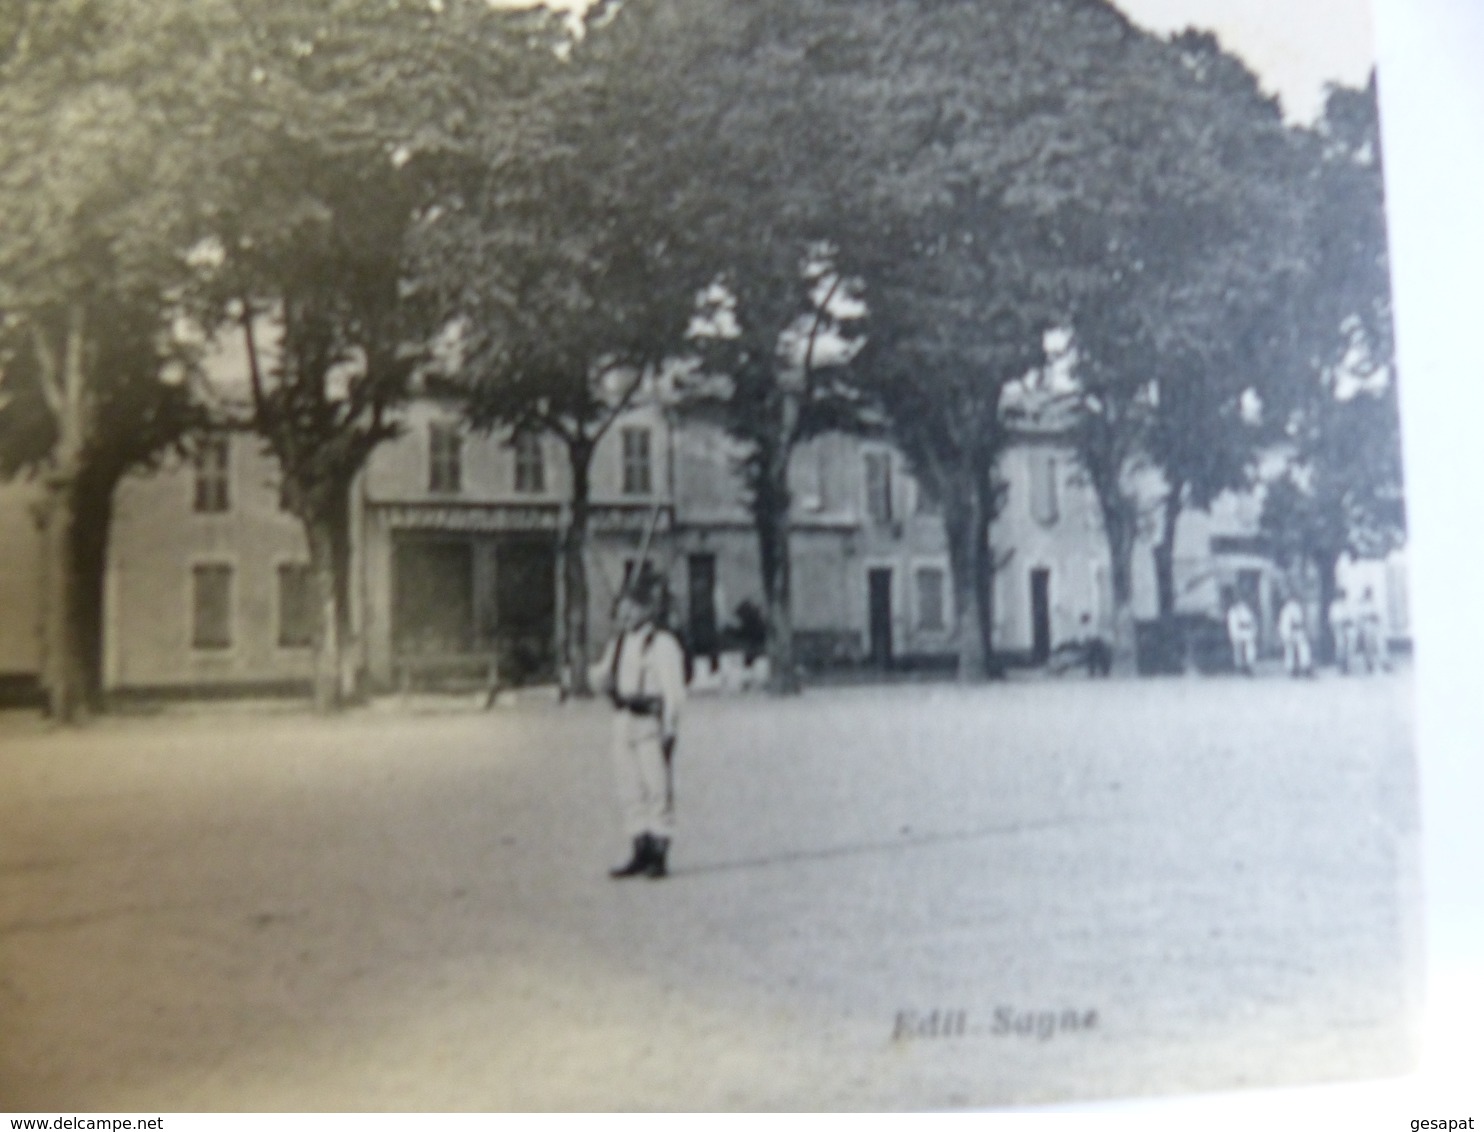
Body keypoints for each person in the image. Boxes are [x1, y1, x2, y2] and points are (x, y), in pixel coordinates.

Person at [599, 569, 687, 880]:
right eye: (623, 607)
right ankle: (639, 847)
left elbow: (674, 692)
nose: (626, 613)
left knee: (656, 788)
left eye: (633, 607)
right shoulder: (620, 642)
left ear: (648, 609)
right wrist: (602, 679)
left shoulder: (661, 643)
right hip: (622, 720)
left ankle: (659, 852)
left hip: (649, 721)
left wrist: (670, 728)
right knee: (629, 788)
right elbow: (603, 674)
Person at [1276, 593, 1313, 678]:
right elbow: (1285, 623)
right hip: (1291, 631)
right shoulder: (1287, 609)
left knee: (1304, 648)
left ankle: (1305, 667)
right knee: (1290, 651)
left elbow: (1301, 620)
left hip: (1299, 630)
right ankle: (1292, 669)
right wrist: (1287, 634)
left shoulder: (1297, 607)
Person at [1354, 585, 1389, 673]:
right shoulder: (1361, 604)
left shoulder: (1375, 602)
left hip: (1376, 625)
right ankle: (1369, 664)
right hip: (1367, 626)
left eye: (1369, 592)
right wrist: (1366, 618)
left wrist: (1376, 617)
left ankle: (1384, 663)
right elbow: (1359, 616)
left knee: (1380, 644)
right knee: (1368, 646)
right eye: (1367, 592)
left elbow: (1380, 614)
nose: (1368, 594)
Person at [1225, 596, 1257, 675]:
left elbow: (1251, 622)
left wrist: (1252, 631)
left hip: (1247, 632)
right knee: (1238, 650)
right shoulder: (1233, 611)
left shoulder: (1246, 609)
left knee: (1250, 648)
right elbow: (1232, 625)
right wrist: (1235, 635)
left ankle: (1249, 665)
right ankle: (1239, 666)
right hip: (1237, 632)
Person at [1328, 588, 1354, 674]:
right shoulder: (1335, 606)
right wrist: (1341, 622)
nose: (1342, 596)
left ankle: (1348, 666)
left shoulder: (1348, 604)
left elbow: (1352, 617)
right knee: (1340, 647)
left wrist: (1349, 621)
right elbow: (1333, 619)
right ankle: (1341, 667)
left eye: (1343, 595)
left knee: (1350, 647)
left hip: (1348, 628)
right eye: (1340, 595)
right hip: (1339, 629)